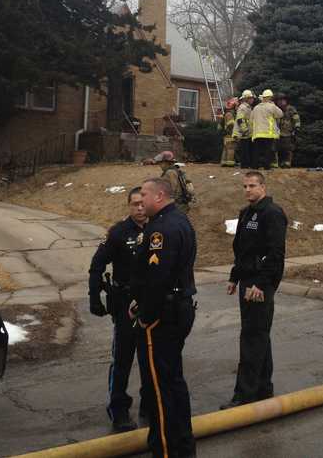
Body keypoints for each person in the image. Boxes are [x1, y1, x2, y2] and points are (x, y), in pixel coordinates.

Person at [130, 177, 198, 458]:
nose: (141, 200)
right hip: (177, 308)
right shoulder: (180, 221)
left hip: (163, 316)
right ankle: (179, 446)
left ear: (159, 196)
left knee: (161, 390)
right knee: (172, 383)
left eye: (144, 194)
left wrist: (146, 315)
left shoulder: (161, 230)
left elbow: (158, 277)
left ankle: (168, 451)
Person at [220, 171, 287, 410]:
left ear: (263, 187)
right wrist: (234, 277)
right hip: (247, 280)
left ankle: (244, 395)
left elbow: (276, 253)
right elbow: (242, 249)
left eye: (252, 186)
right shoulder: (246, 213)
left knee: (251, 338)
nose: (247, 190)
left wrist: (261, 284)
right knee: (259, 335)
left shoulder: (273, 213)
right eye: (245, 186)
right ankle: (262, 387)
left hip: (260, 284)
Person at [87, 187, 150, 432]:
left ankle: (149, 405)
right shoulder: (118, 232)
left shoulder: (159, 229)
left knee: (149, 358)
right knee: (123, 359)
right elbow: (96, 265)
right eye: (134, 204)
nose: (140, 208)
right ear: (129, 206)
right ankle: (119, 409)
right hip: (124, 304)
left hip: (150, 303)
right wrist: (94, 297)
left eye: (142, 203)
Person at [250, 89, 283, 170]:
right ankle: (266, 166)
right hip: (268, 133)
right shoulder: (272, 106)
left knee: (257, 150)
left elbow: (251, 120)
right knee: (267, 150)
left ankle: (255, 166)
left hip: (257, 134)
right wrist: (274, 105)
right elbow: (280, 114)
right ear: (270, 98)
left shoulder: (256, 108)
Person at [273, 93, 301, 168]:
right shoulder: (275, 109)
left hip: (287, 132)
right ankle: (275, 163)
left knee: (287, 149)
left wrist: (297, 127)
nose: (281, 102)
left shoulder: (290, 109)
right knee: (275, 148)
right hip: (276, 132)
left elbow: (296, 118)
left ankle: (287, 163)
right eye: (279, 100)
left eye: (283, 100)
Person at [233, 90, 256, 169]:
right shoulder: (243, 107)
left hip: (246, 133)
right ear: (246, 99)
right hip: (243, 133)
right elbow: (240, 119)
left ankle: (247, 164)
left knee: (247, 149)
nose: (253, 100)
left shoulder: (248, 107)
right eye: (251, 98)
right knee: (244, 150)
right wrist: (245, 129)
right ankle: (244, 165)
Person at [220, 97, 238, 167]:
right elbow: (231, 125)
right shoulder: (230, 114)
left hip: (226, 135)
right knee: (231, 149)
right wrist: (235, 133)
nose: (237, 107)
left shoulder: (226, 113)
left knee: (226, 149)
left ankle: (224, 162)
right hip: (230, 134)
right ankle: (230, 163)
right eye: (236, 106)